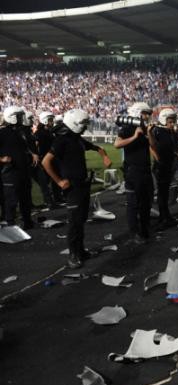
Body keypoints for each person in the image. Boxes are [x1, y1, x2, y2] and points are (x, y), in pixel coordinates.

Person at [42, 109, 112, 268]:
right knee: (74, 222)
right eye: (83, 124)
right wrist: (59, 181)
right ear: (73, 123)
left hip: (82, 184)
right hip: (72, 187)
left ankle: (80, 251)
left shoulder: (76, 139)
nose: (85, 127)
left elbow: (97, 148)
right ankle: (73, 255)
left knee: (80, 220)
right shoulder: (62, 140)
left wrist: (104, 155)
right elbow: (46, 162)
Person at [114, 102, 154, 244]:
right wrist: (134, 137)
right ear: (138, 113)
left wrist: (148, 133)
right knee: (133, 203)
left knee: (146, 201)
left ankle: (144, 229)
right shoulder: (127, 128)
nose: (148, 116)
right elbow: (117, 144)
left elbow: (152, 146)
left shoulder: (144, 127)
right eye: (145, 113)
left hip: (145, 169)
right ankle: (134, 232)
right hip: (133, 170)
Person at [0, 106, 37, 229]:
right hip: (10, 172)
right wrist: (1, 159)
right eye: (19, 116)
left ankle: (27, 222)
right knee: (11, 200)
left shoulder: (20, 132)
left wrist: (32, 154)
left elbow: (23, 148)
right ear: (11, 117)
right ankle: (10, 224)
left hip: (23, 171)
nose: (22, 119)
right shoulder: (2, 132)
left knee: (25, 198)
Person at [148, 108, 178, 229]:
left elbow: (167, 149)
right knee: (162, 194)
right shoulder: (158, 131)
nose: (172, 124)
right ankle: (163, 218)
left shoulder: (168, 132)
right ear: (163, 120)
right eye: (170, 122)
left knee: (165, 193)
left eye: (173, 122)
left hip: (167, 165)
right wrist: (158, 159)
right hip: (161, 167)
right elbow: (152, 146)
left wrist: (175, 155)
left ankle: (166, 216)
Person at [33, 111, 63, 208]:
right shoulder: (39, 133)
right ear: (45, 121)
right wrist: (36, 155)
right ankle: (49, 201)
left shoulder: (50, 131)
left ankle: (57, 198)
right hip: (45, 159)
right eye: (50, 120)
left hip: (53, 159)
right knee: (45, 181)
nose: (52, 121)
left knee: (55, 178)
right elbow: (35, 145)